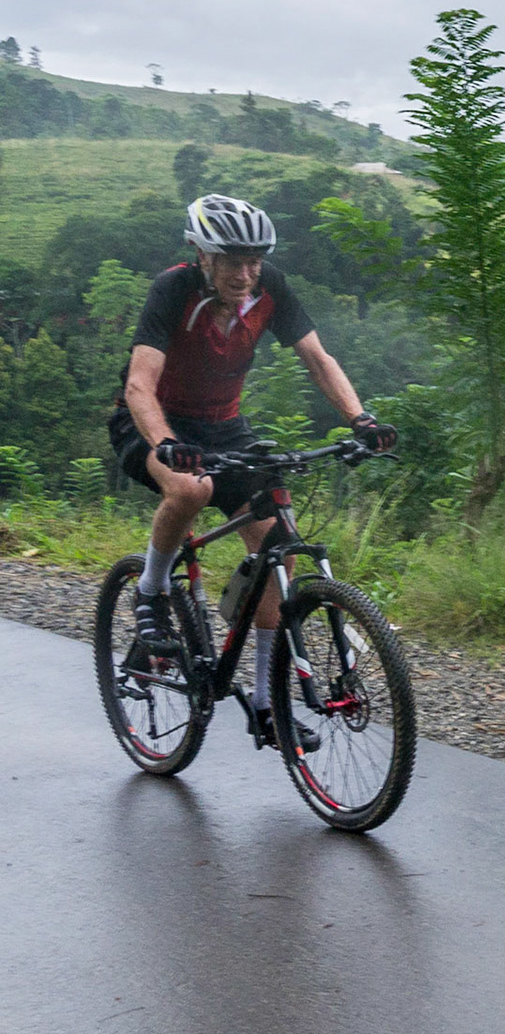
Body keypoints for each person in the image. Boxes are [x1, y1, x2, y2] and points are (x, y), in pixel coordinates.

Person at [108, 194, 397, 750]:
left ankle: (267, 704)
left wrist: (360, 419)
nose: (246, 273)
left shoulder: (271, 289)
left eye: (254, 260)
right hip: (152, 424)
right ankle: (150, 588)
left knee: (275, 549)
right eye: (232, 261)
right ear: (202, 255)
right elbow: (140, 384)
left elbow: (317, 358)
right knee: (192, 487)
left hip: (225, 426)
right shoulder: (174, 290)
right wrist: (166, 442)